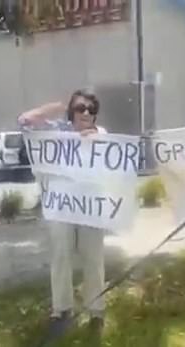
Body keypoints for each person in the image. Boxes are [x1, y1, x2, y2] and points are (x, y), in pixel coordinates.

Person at [18, 89, 107, 332]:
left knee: (93, 259)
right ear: (71, 112)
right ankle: (62, 309)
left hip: (91, 208)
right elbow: (24, 121)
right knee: (61, 257)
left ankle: (96, 311)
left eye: (91, 109)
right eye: (80, 108)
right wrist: (54, 107)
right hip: (60, 206)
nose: (86, 113)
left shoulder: (102, 135)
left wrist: (94, 139)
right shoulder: (55, 133)